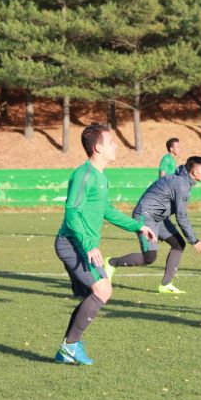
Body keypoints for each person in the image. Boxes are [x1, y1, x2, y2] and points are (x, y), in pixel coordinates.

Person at [54, 123, 157, 365]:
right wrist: (89, 245)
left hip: (81, 244)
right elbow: (71, 212)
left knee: (93, 294)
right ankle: (70, 346)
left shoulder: (99, 176)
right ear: (97, 147)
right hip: (73, 244)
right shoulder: (84, 174)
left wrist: (137, 226)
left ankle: (67, 348)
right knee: (103, 290)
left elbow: (106, 209)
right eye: (111, 142)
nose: (116, 145)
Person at [105, 156, 201, 294]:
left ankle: (166, 284)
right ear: (194, 172)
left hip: (159, 218)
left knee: (178, 244)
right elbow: (181, 216)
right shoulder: (181, 184)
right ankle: (111, 263)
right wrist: (194, 240)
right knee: (149, 258)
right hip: (145, 217)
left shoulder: (183, 181)